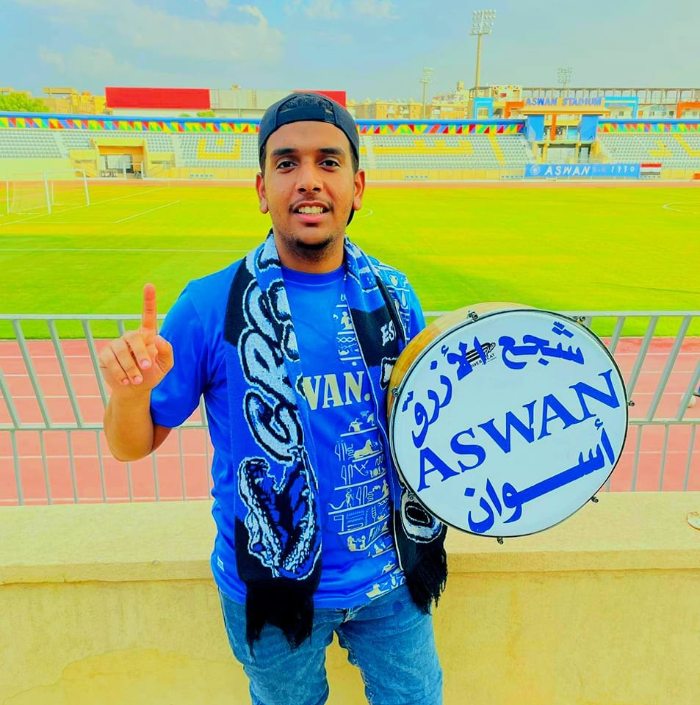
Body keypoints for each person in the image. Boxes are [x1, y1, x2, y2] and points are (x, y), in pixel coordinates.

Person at [100, 92, 447, 705]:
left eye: (328, 162)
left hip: (392, 578)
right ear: (262, 190)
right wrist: (131, 392)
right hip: (266, 583)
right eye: (287, 163)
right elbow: (132, 446)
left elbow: (422, 423)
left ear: (357, 187)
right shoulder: (209, 304)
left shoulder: (396, 295)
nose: (308, 180)